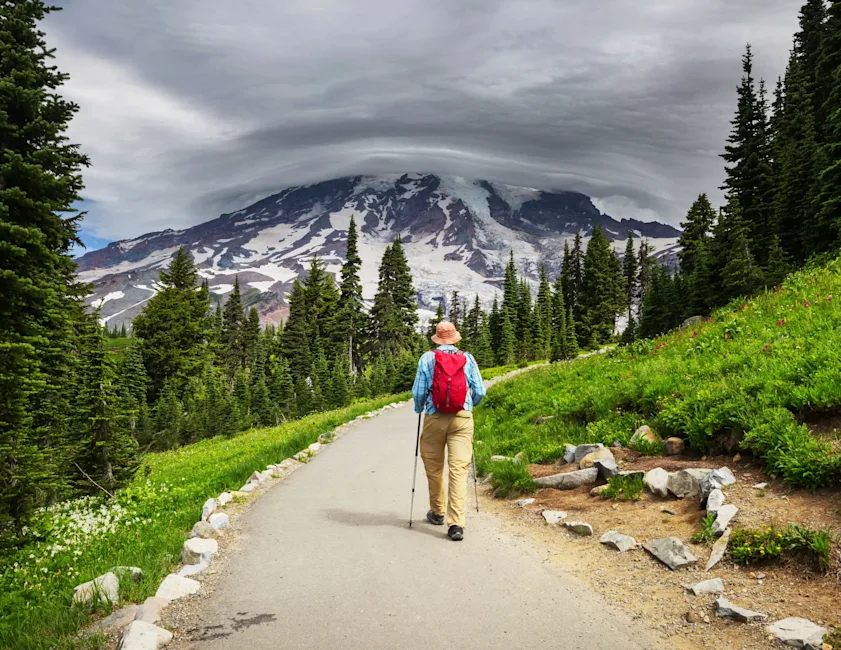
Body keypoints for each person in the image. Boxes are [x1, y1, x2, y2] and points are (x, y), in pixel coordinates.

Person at [412, 320, 486, 541]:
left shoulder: (427, 358)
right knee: (458, 470)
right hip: (462, 419)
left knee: (434, 468)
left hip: (435, 418)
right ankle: (456, 525)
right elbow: (480, 390)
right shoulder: (467, 358)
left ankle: (437, 512)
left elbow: (418, 392)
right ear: (455, 338)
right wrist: (468, 405)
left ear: (437, 338)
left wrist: (420, 408)